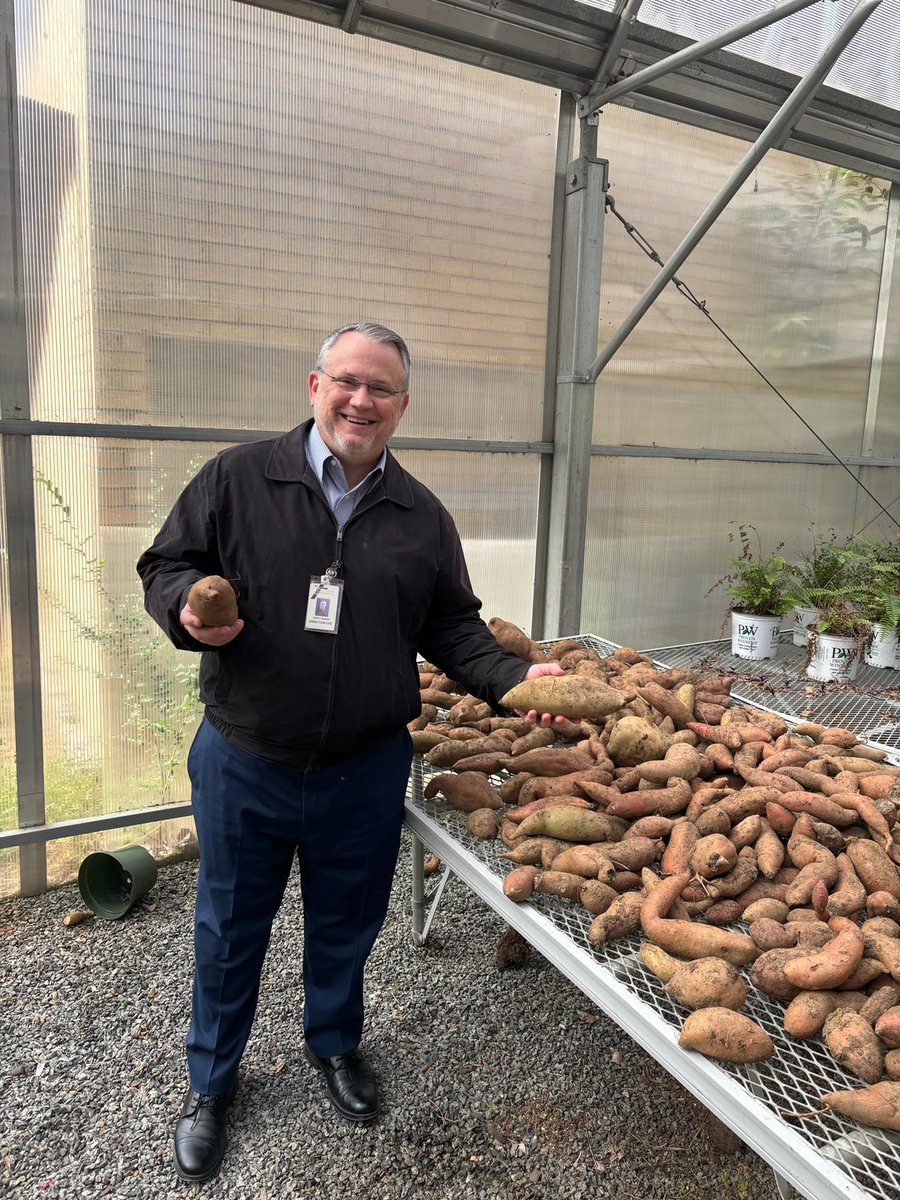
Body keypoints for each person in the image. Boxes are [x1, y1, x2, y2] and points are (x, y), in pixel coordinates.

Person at [136, 321, 565, 1184]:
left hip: (363, 764)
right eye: (347, 382)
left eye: (381, 389)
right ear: (314, 385)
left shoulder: (419, 515)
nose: (360, 401)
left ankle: (333, 1046)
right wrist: (185, 605)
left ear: (402, 406)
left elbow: (450, 625)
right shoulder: (237, 477)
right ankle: (211, 1086)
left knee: (346, 923)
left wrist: (519, 679)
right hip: (246, 755)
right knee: (228, 928)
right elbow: (166, 565)